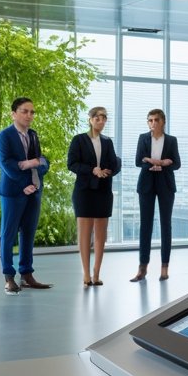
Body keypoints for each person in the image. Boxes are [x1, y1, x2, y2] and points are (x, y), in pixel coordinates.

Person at [0, 97, 52, 294]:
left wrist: (34, 168)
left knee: (28, 233)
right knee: (8, 234)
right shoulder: (4, 136)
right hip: (13, 192)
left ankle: (26, 275)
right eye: (25, 111)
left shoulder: (33, 135)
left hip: (34, 191)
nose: (29, 115)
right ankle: (9, 277)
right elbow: (7, 164)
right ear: (14, 113)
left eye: (32, 112)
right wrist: (24, 183)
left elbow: (43, 162)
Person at [67, 106, 121, 287]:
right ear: (90, 119)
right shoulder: (79, 140)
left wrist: (108, 171)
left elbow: (115, 162)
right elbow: (72, 164)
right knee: (84, 234)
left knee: (101, 234)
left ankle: (96, 274)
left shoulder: (108, 142)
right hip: (84, 191)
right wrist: (92, 170)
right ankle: (86, 274)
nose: (102, 121)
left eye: (104, 118)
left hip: (104, 190)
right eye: (98, 118)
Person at [132, 108, 180, 282]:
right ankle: (142, 268)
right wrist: (151, 162)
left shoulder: (171, 140)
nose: (153, 123)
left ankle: (164, 267)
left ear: (163, 122)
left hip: (166, 185)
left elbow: (177, 163)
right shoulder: (143, 138)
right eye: (150, 120)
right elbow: (138, 160)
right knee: (145, 226)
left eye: (156, 120)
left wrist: (165, 163)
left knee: (166, 225)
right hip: (146, 185)